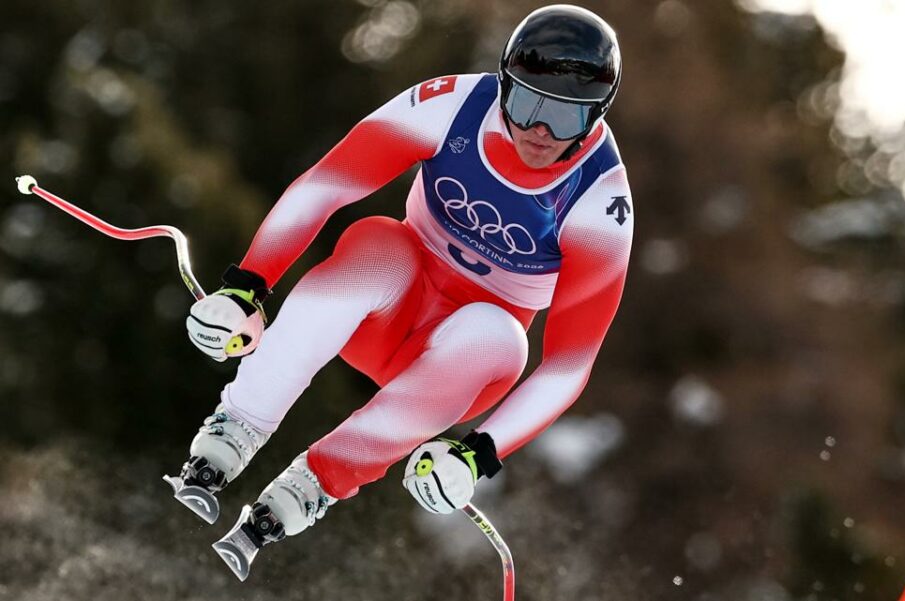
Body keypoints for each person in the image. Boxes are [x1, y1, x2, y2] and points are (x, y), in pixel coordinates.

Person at [165, 4, 634, 581]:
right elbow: (326, 185)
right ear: (502, 84)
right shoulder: (452, 105)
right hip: (386, 309)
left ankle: (313, 485)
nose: (540, 131)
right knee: (377, 242)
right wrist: (246, 287)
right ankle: (235, 428)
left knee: (500, 339)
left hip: (450, 367)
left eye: (567, 118)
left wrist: (477, 454)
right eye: (528, 103)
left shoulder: (599, 201)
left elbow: (568, 365)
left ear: (597, 117)